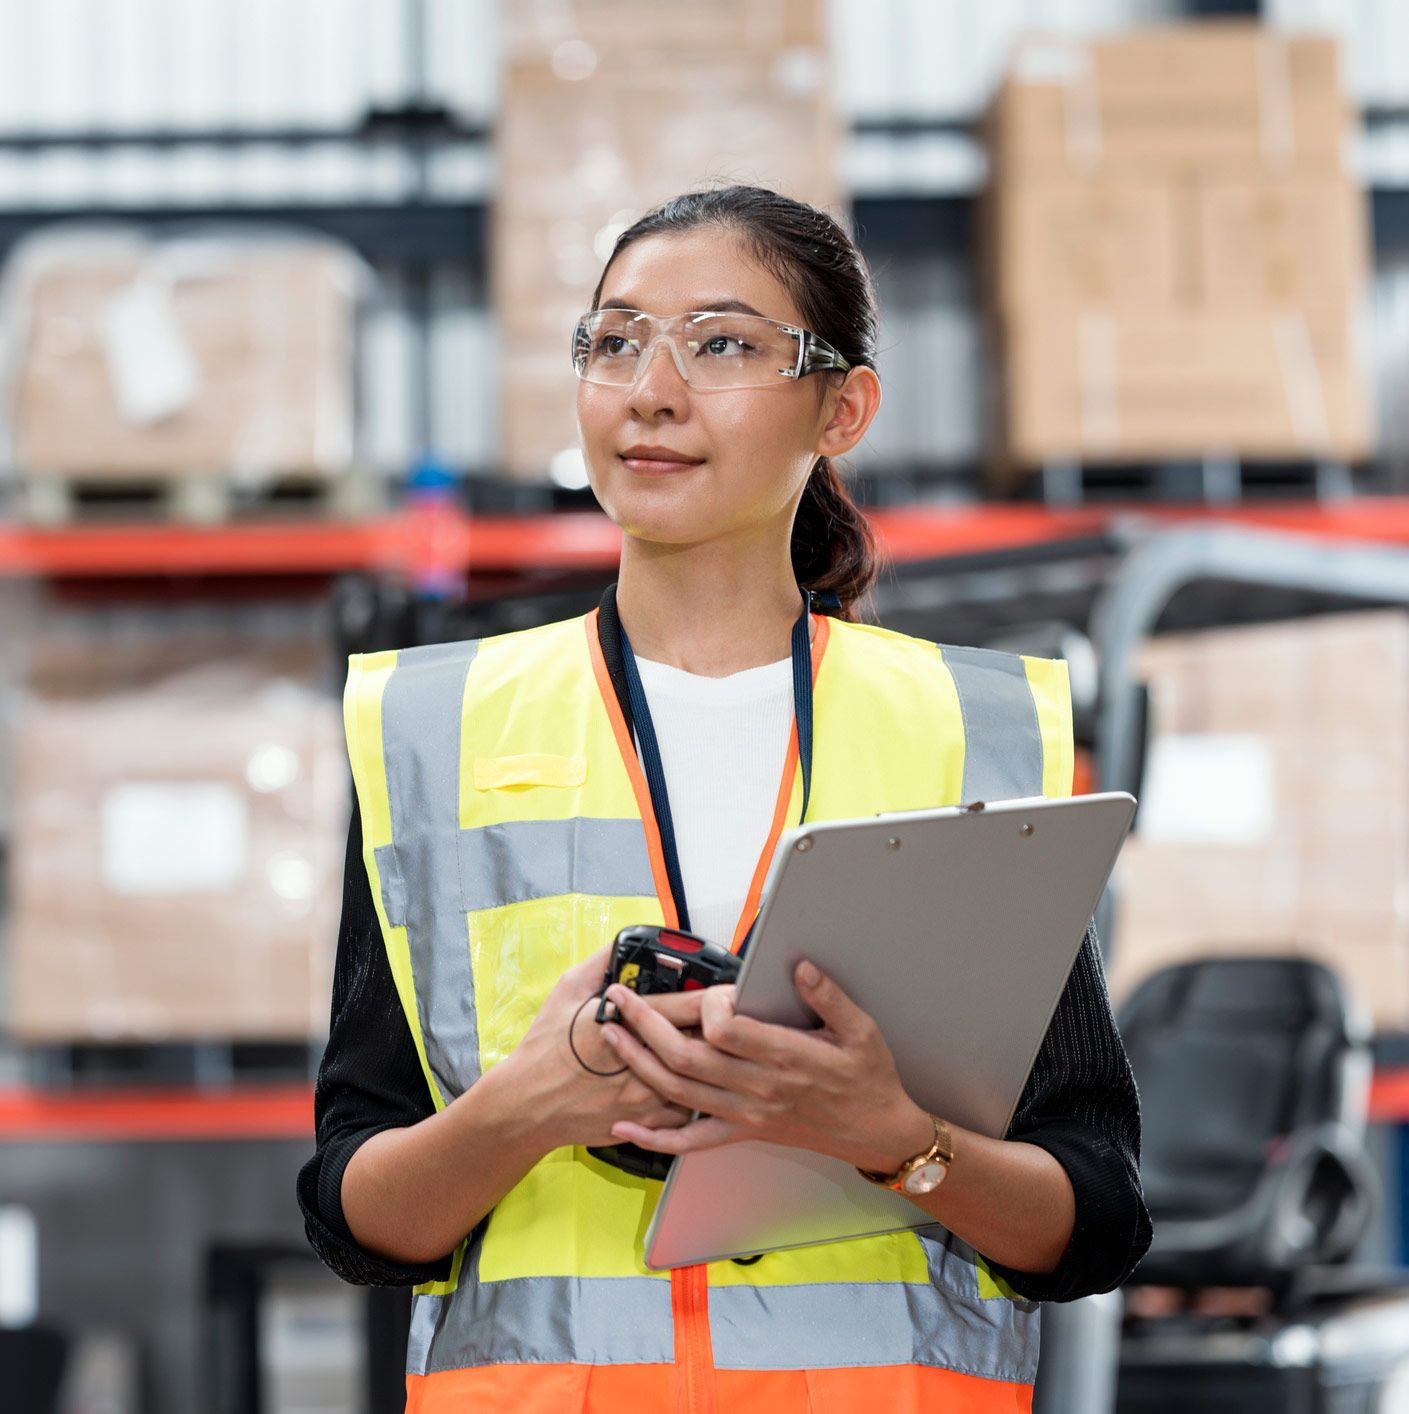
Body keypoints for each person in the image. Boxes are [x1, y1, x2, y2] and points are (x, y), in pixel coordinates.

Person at [299, 185, 1151, 1413]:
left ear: (841, 406)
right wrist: (528, 1108)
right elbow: (354, 1215)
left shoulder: (964, 731)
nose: (650, 388)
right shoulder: (436, 729)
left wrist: (890, 1136)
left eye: (722, 343)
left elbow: (1095, 1218)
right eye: (612, 341)